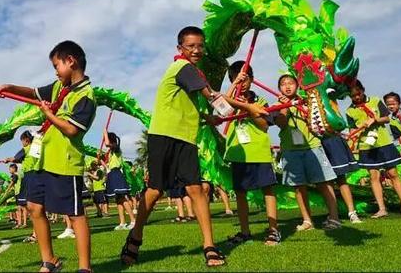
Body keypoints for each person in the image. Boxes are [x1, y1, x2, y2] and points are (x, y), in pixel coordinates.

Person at [119, 26, 268, 268]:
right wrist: (248, 108)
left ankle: (209, 245)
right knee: (155, 191)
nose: (197, 50)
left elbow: (191, 105)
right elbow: (212, 96)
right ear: (180, 49)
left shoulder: (193, 72)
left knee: (197, 189)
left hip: (186, 138)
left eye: (200, 45)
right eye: (191, 46)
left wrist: (206, 118)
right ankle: (135, 236)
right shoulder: (183, 68)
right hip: (162, 136)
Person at [0, 40, 97, 272]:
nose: (55, 71)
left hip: (65, 162)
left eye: (57, 65)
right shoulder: (58, 88)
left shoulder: (86, 95)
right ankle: (49, 261)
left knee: (75, 214)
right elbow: (33, 92)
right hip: (41, 161)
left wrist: (47, 114)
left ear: (70, 61)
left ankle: (85, 268)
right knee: (34, 207)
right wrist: (10, 88)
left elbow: (72, 130)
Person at [222, 62, 280, 245]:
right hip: (238, 155)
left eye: (245, 79)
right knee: (240, 193)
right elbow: (221, 106)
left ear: (252, 80)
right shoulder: (230, 99)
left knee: (267, 190)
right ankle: (245, 231)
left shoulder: (261, 101)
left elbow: (264, 126)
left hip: (259, 152)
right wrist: (234, 88)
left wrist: (249, 108)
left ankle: (273, 231)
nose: (242, 83)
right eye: (237, 79)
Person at [274, 74, 341, 231]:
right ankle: (307, 221)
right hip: (290, 150)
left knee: (324, 183)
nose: (287, 86)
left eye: (291, 83)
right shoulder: (277, 105)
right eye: (283, 84)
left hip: (312, 146)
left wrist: (301, 107)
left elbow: (317, 120)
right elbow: (281, 124)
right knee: (299, 187)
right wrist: (284, 107)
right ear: (279, 88)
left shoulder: (309, 100)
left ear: (297, 85)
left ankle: (334, 218)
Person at [347, 81, 401, 217]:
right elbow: (352, 129)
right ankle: (382, 209)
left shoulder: (375, 101)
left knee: (393, 174)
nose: (357, 97)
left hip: (384, 142)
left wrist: (374, 120)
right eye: (353, 96)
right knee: (374, 176)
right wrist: (354, 134)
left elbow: (386, 118)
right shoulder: (349, 111)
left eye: (358, 94)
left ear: (363, 90)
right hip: (366, 146)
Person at [4, 130, 39, 243]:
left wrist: (8, 160)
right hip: (38, 175)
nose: (22, 143)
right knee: (37, 208)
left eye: (22, 141)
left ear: (26, 140)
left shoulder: (26, 149)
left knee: (33, 207)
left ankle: (36, 234)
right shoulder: (37, 148)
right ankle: (36, 233)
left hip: (30, 176)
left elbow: (15, 158)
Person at [102, 132, 136, 230]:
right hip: (112, 174)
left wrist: (104, 132)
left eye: (106, 139)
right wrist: (100, 159)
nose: (105, 142)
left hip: (117, 174)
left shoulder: (116, 149)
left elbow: (108, 143)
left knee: (122, 198)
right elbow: (108, 166)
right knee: (118, 200)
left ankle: (133, 220)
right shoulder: (110, 153)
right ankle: (122, 222)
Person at [384, 92, 401, 167]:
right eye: (388, 105)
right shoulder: (391, 121)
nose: (391, 106)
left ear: (399, 103)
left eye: (393, 104)